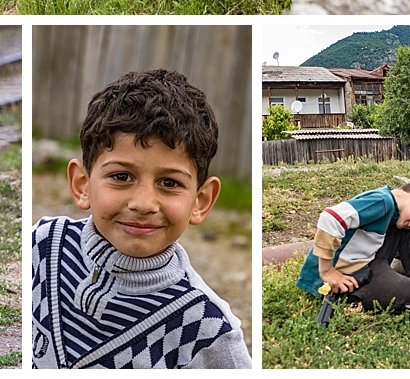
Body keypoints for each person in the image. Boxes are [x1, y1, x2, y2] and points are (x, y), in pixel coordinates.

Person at [32, 67, 252, 368]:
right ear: (82, 184)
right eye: (121, 176)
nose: (144, 203)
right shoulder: (43, 247)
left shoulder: (206, 327)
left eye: (170, 183)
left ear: (201, 201)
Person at [295, 179, 410, 318]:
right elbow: (331, 218)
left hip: (367, 263)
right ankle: (355, 298)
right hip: (343, 278)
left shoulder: (394, 211)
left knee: (409, 229)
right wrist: (327, 271)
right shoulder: (382, 201)